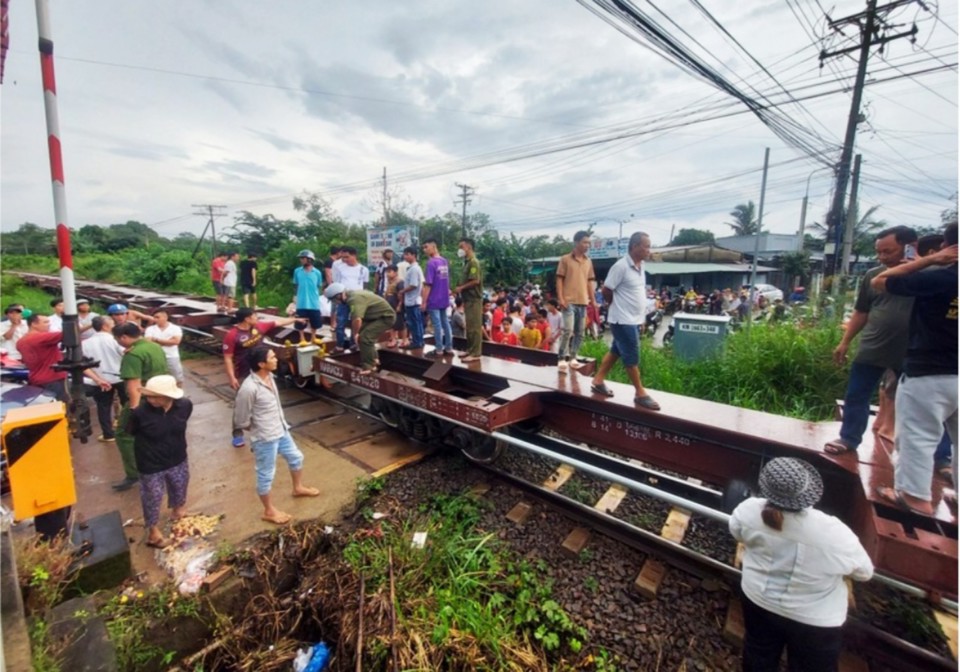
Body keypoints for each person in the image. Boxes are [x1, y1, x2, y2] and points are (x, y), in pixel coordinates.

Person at [730, 457, 873, 671]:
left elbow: (736, 532)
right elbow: (864, 572)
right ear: (808, 494)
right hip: (814, 620)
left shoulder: (748, 511)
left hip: (758, 600)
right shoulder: (834, 532)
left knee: (758, 654)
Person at [870, 224, 957, 515]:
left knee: (917, 436)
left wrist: (928, 260)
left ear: (947, 245)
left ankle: (915, 498)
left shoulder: (941, 277)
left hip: (930, 371)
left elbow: (881, 281)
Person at [824, 226, 918, 456]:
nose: (882, 257)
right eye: (879, 252)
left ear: (910, 246)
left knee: (918, 402)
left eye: (888, 251)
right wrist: (845, 341)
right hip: (874, 346)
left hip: (913, 351)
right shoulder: (873, 275)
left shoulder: (929, 275)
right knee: (857, 393)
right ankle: (849, 438)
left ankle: (928, 454)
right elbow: (861, 312)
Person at [234, 348, 320, 525]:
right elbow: (241, 420)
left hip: (281, 429)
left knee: (296, 457)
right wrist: (260, 429)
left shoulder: (270, 377)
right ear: (261, 364)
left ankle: (298, 487)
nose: (276, 359)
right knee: (266, 474)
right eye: (272, 357)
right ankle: (269, 511)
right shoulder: (249, 389)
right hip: (265, 437)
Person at [590, 232, 660, 411]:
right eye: (646, 246)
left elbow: (637, 292)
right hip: (622, 320)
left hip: (633, 319)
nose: (648, 250)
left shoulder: (641, 265)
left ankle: (598, 380)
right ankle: (639, 392)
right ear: (635, 246)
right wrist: (615, 305)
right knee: (631, 354)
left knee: (616, 351)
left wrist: (641, 318)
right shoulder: (620, 266)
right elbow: (607, 290)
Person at [127, 375, 193, 548]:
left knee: (179, 486)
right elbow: (130, 431)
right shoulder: (140, 413)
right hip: (151, 462)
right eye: (148, 396)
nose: (151, 399)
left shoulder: (184, 406)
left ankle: (178, 512)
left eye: (155, 396)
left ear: (169, 396)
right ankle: (153, 532)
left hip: (177, 456)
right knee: (152, 497)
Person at [112, 321, 169, 491]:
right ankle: (162, 467)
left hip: (144, 399)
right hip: (161, 395)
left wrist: (134, 410)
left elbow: (134, 385)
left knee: (124, 435)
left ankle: (134, 473)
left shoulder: (133, 355)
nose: (118, 343)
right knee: (156, 434)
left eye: (117, 339)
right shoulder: (154, 346)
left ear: (124, 337)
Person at [323, 284, 395, 373]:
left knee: (364, 338)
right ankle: (374, 359)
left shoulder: (353, 299)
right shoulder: (351, 297)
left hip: (385, 317)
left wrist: (355, 334)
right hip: (373, 317)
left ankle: (369, 367)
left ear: (338, 295)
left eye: (334, 300)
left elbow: (357, 319)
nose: (336, 303)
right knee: (365, 337)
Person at [555, 231, 597, 373]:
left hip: (583, 301)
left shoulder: (588, 261)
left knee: (580, 332)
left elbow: (589, 282)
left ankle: (573, 357)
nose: (587, 245)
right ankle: (561, 357)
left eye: (588, 243)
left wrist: (593, 300)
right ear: (577, 242)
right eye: (585, 242)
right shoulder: (565, 259)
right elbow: (559, 279)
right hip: (568, 301)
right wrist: (561, 298)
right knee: (568, 330)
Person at [83, 315, 127, 442]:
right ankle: (130, 430)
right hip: (121, 377)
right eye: (112, 323)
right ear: (105, 326)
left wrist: (97, 379)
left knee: (103, 407)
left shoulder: (85, 343)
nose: (114, 325)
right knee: (127, 403)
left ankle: (108, 434)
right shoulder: (115, 340)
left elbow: (84, 365)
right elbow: (126, 353)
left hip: (101, 380)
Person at [333, 247, 370, 348]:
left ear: (354, 256)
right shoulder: (340, 267)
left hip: (357, 300)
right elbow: (336, 283)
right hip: (344, 299)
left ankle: (354, 343)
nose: (345, 260)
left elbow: (365, 286)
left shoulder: (364, 270)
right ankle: (339, 344)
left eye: (347, 257)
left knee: (356, 322)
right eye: (343, 257)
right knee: (341, 322)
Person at [422, 238, 454, 356]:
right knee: (445, 322)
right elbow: (446, 281)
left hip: (434, 298)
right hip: (444, 298)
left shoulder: (431, 263)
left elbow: (428, 285)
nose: (425, 250)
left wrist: (424, 302)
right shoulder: (444, 261)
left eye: (426, 247)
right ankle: (449, 348)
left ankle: (439, 349)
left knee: (437, 324)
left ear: (433, 246)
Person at [454, 238, 484, 363]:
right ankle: (471, 350)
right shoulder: (467, 262)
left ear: (469, 247)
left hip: (474, 299)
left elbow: (475, 281)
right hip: (468, 299)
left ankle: (476, 353)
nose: (460, 250)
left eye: (462, 247)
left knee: (475, 327)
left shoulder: (473, 262)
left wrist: (461, 288)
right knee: (470, 326)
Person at [144, 310, 184, 385]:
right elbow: (148, 342)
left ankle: (178, 393)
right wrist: (168, 341)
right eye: (154, 317)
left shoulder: (175, 328)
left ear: (165, 317)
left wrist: (156, 340)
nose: (155, 319)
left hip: (171, 356)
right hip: (155, 357)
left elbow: (176, 341)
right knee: (156, 377)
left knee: (177, 377)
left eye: (157, 317)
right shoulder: (150, 329)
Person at [293, 249, 324, 341]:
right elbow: (296, 284)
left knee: (315, 321)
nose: (301, 260)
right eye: (301, 258)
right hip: (301, 301)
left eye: (303, 258)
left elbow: (319, 285)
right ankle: (302, 338)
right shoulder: (297, 271)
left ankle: (313, 337)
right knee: (300, 321)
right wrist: (295, 296)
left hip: (313, 301)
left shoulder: (317, 272)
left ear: (309, 259)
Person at [399, 246, 425, 349]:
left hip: (413, 300)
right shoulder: (413, 268)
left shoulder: (414, 269)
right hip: (412, 300)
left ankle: (417, 342)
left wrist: (402, 291)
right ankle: (419, 341)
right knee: (416, 322)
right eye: (404, 254)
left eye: (407, 254)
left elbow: (413, 284)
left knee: (414, 323)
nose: (405, 257)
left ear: (414, 255)